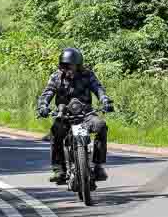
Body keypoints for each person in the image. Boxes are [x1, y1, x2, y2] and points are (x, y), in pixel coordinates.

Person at [37, 48, 114, 183]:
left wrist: (105, 100)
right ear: (61, 65)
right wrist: (43, 106)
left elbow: (98, 88)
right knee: (55, 131)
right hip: (64, 115)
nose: (69, 68)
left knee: (101, 126)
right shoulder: (56, 77)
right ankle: (59, 169)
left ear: (78, 65)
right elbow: (47, 92)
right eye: (65, 65)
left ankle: (98, 165)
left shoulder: (88, 75)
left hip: (86, 114)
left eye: (72, 65)